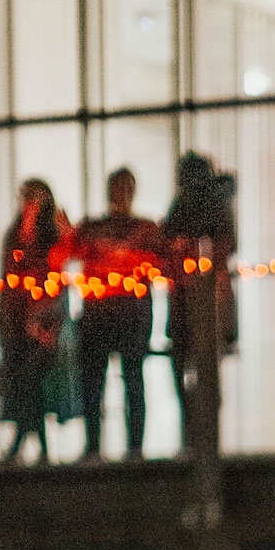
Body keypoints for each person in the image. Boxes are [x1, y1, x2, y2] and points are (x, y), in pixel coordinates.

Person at [71, 167, 166, 461]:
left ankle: (133, 449)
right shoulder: (94, 227)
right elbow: (70, 252)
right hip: (104, 314)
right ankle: (95, 447)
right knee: (95, 382)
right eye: (118, 188)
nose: (121, 195)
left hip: (130, 314)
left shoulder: (145, 229)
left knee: (132, 380)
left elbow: (160, 260)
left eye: (125, 188)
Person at [163, 152, 238, 446]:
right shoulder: (202, 205)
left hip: (202, 298)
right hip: (191, 298)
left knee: (197, 365)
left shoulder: (201, 205)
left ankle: (198, 430)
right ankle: (198, 429)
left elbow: (223, 244)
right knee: (198, 366)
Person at [0, 178, 72, 462]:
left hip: (44, 323)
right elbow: (10, 275)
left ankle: (25, 444)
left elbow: (57, 272)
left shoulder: (51, 235)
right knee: (26, 383)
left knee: (32, 379)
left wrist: (49, 320)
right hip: (17, 322)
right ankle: (37, 447)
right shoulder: (15, 234)